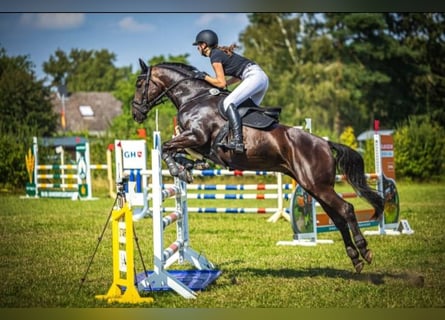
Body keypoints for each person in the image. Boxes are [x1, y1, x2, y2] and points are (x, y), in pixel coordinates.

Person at [192, 29, 269, 153]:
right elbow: (236, 77)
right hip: (260, 78)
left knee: (227, 103)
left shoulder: (214, 55)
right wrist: (225, 84)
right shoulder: (219, 53)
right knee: (246, 109)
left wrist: (204, 77)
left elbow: (220, 82)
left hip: (253, 76)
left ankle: (238, 141)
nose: (198, 49)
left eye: (198, 45)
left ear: (204, 45)